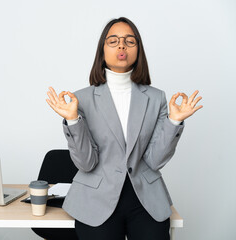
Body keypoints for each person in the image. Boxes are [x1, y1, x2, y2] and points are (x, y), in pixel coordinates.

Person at [46, 17, 203, 240]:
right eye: (113, 41)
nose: (122, 46)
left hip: (145, 199)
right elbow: (86, 163)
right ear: (102, 50)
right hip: (95, 200)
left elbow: (154, 161)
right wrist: (72, 120)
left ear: (138, 50)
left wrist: (173, 121)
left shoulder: (156, 98)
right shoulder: (80, 99)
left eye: (130, 41)